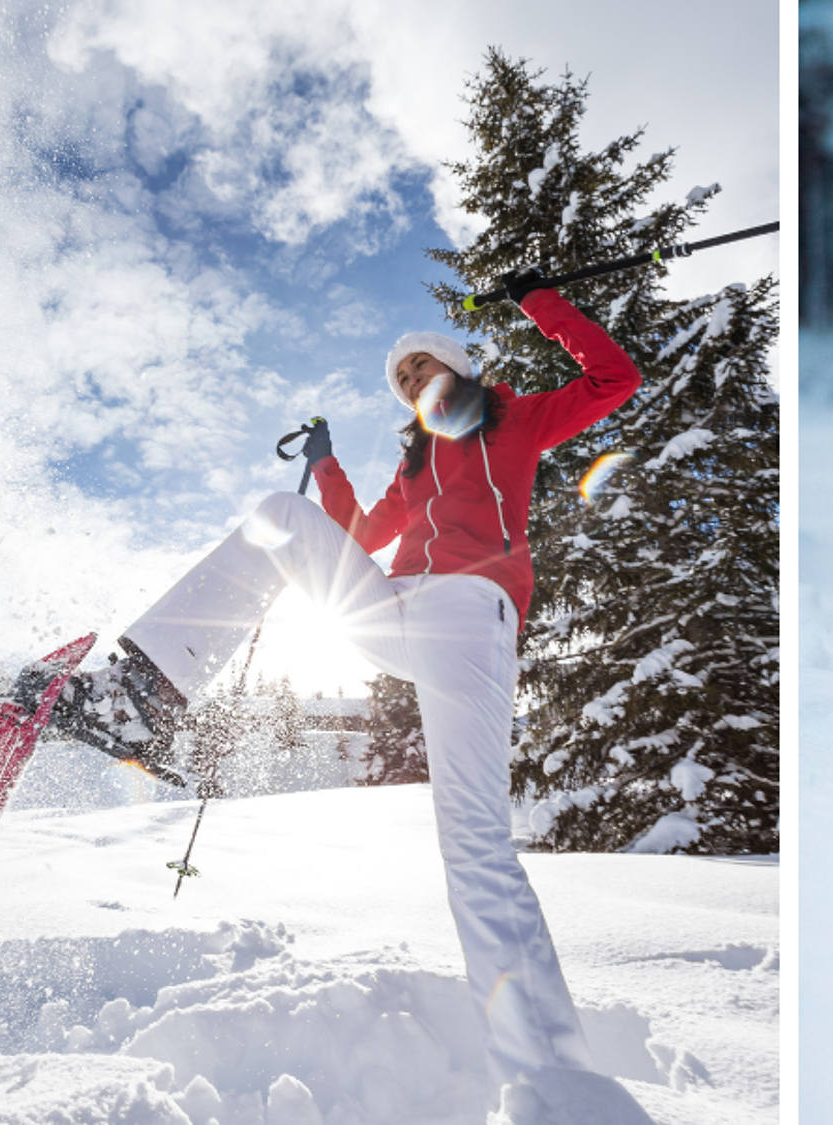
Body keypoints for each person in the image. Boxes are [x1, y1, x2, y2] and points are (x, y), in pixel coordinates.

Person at [43, 269, 653, 1120]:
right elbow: (359, 536)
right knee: (281, 520)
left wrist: (538, 304)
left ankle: (554, 1082)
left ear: (459, 368)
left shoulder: (512, 419)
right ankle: (140, 697)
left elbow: (615, 380)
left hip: (472, 618)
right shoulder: (417, 463)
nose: (412, 383)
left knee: (473, 846)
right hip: (400, 611)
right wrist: (327, 466)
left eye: (422, 368)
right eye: (401, 380)